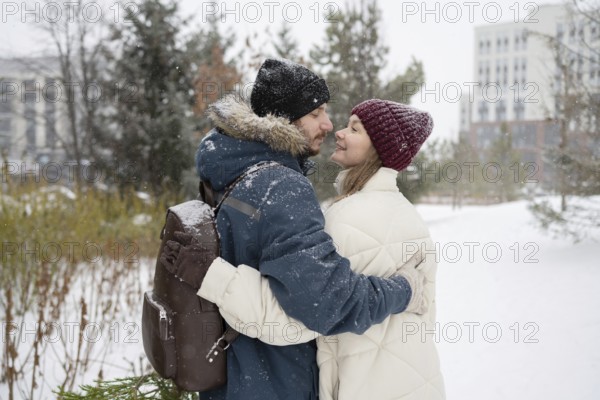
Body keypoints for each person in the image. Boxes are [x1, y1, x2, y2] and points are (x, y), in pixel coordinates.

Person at [162, 59, 428, 400]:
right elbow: (329, 303)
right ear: (284, 117)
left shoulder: (230, 169)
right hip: (276, 383)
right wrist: (403, 290)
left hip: (230, 380)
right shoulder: (281, 186)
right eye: (316, 113)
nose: (329, 125)